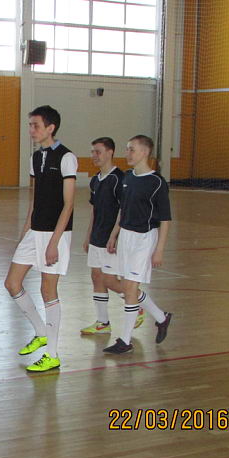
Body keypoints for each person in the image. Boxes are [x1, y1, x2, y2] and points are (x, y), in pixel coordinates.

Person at [4, 105, 76, 373]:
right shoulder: (35, 158)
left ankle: (52, 355)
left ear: (50, 128)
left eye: (35, 125)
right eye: (30, 125)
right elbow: (35, 199)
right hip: (35, 231)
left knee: (48, 291)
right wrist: (26, 231)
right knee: (12, 283)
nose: (31, 130)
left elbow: (68, 204)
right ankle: (40, 331)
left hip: (56, 234)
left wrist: (54, 242)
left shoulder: (67, 157)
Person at [103, 135, 173, 354]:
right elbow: (122, 211)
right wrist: (114, 234)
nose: (127, 153)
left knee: (131, 288)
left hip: (144, 238)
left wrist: (159, 249)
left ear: (144, 152)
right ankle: (162, 318)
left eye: (131, 149)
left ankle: (125, 340)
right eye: (127, 149)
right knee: (127, 287)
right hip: (126, 236)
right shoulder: (127, 177)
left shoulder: (157, 182)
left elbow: (165, 219)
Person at [80, 137, 144, 335]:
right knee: (96, 277)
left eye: (98, 152)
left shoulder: (119, 179)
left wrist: (114, 235)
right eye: (92, 152)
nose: (94, 156)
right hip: (97, 236)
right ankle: (102, 323)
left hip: (111, 239)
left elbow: (123, 210)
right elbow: (94, 210)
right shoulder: (95, 180)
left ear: (110, 152)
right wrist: (88, 235)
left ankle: (136, 301)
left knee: (109, 279)